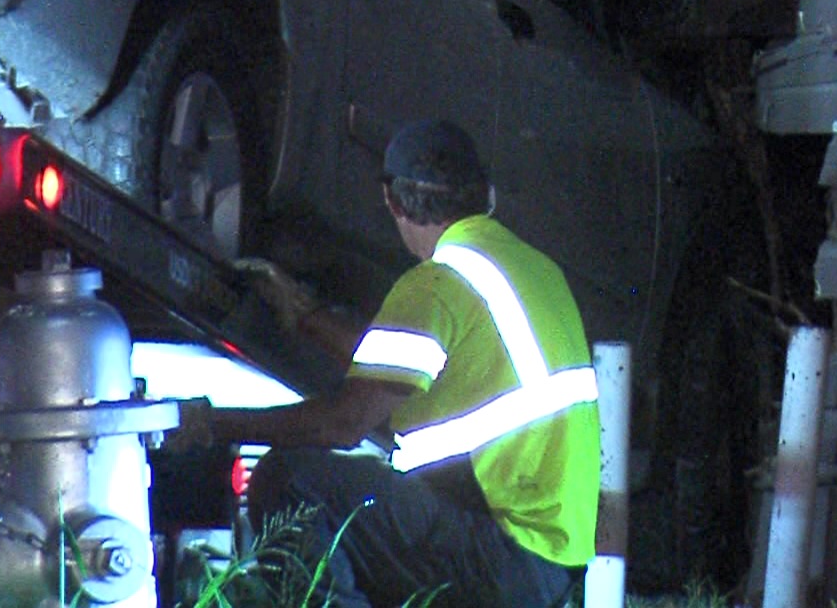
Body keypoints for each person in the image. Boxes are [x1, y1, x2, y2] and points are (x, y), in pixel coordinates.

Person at [175, 118, 599, 608]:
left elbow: (343, 424)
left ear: (392, 203)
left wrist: (213, 424)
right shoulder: (531, 270)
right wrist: (305, 316)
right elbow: (395, 361)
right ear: (487, 196)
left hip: (499, 556)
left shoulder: (438, 282)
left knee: (287, 480)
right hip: (549, 561)